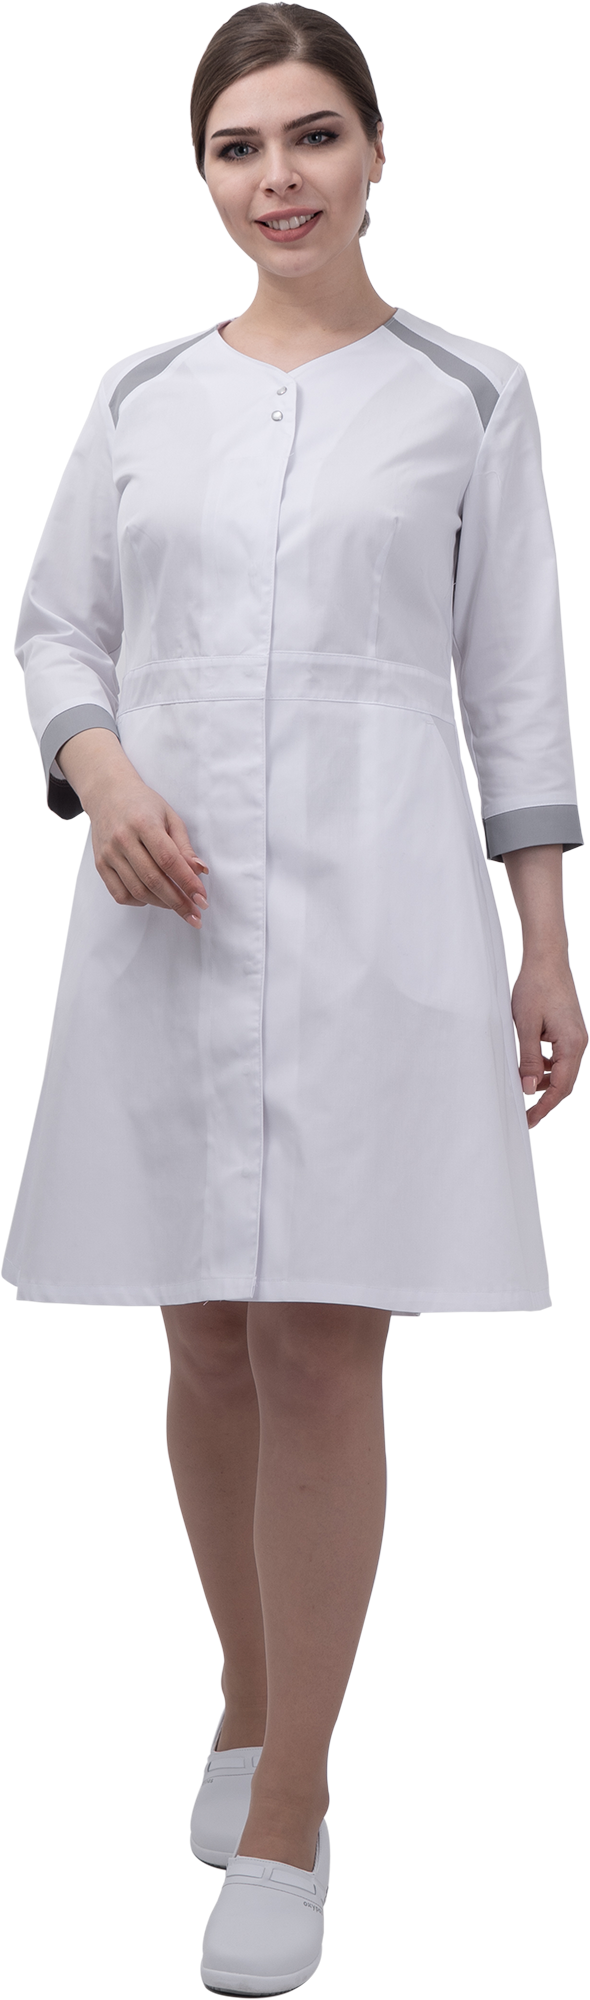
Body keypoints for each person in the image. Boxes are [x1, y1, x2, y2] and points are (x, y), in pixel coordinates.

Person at [5, 2, 587, 1991]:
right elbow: (58, 628)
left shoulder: (467, 397)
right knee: (204, 1340)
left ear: (373, 154)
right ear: (203, 173)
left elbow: (514, 684)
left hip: (379, 923)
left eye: (312, 134)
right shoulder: (146, 397)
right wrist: (100, 772)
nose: (278, 177)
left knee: (322, 1343)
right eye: (239, 145)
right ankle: (252, 1698)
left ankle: (295, 1807)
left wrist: (542, 938)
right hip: (172, 919)